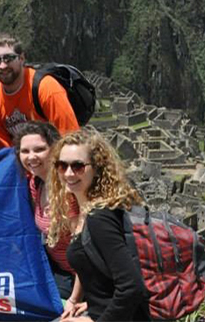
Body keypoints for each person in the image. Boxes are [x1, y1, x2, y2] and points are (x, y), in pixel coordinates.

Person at [47, 129, 148, 322]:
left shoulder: (100, 217)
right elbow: (105, 279)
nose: (68, 173)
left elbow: (131, 286)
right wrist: (89, 304)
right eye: (62, 165)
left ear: (97, 167)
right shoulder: (86, 210)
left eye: (78, 166)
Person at [12, 122, 86, 319]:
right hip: (61, 273)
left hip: (86, 279)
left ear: (54, 150)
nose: (31, 157)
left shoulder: (68, 191)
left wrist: (74, 299)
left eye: (39, 149)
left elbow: (85, 252)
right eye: (25, 151)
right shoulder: (36, 184)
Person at [0, 34, 79, 150]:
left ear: (21, 58)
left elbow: (70, 138)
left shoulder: (46, 88)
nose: (2, 66)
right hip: (21, 159)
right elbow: (3, 148)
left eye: (9, 58)